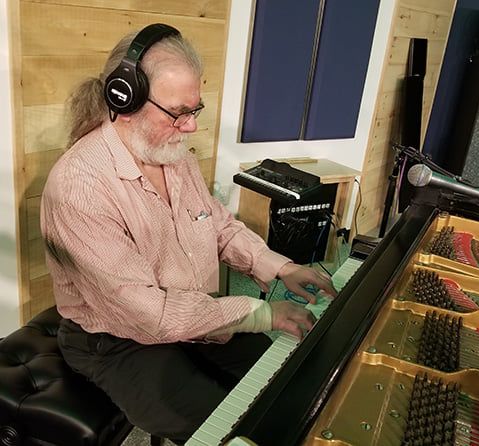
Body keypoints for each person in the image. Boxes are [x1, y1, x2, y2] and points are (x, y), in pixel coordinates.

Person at [40, 23, 337, 443]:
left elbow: (216, 224)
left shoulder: (174, 157)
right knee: (229, 431)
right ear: (126, 99)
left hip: (193, 312)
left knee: (285, 383)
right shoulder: (78, 187)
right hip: (113, 338)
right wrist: (263, 314)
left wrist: (281, 267)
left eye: (194, 110)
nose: (191, 127)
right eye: (178, 113)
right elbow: (151, 316)